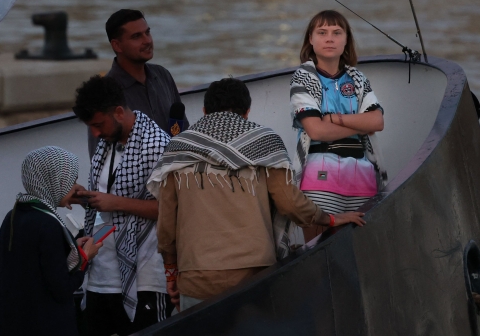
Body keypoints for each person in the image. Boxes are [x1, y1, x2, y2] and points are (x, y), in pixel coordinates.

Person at [150, 78, 365, 311]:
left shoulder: (177, 149)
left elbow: (166, 226)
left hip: (197, 278)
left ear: (204, 111)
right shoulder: (264, 142)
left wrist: (171, 275)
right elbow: (290, 204)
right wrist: (330, 219)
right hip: (254, 277)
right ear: (247, 112)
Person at [68, 75, 171, 336]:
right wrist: (84, 197)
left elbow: (172, 209)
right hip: (101, 277)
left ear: (119, 112)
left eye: (98, 125)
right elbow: (109, 196)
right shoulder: (107, 144)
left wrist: (116, 203)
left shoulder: (156, 145)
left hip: (144, 278)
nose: (95, 134)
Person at [0, 147, 103, 336]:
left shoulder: (14, 216)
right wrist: (85, 257)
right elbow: (62, 289)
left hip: (20, 335)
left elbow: (32, 267)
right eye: (69, 180)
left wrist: (71, 246)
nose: (73, 187)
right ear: (54, 179)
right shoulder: (48, 224)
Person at [290, 10, 386, 241]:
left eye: (336, 33)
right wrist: (361, 124)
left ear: (346, 40)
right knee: (319, 253)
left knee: (362, 253)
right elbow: (316, 131)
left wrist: (332, 118)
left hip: (362, 179)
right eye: (322, 33)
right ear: (310, 40)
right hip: (319, 180)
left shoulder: (358, 79)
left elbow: (377, 121)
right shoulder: (302, 77)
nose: (329, 38)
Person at [89, 9, 185, 155]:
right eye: (136, 36)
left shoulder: (163, 75)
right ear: (117, 45)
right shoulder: (103, 95)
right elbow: (101, 161)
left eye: (147, 32)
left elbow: (183, 132)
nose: (147, 40)